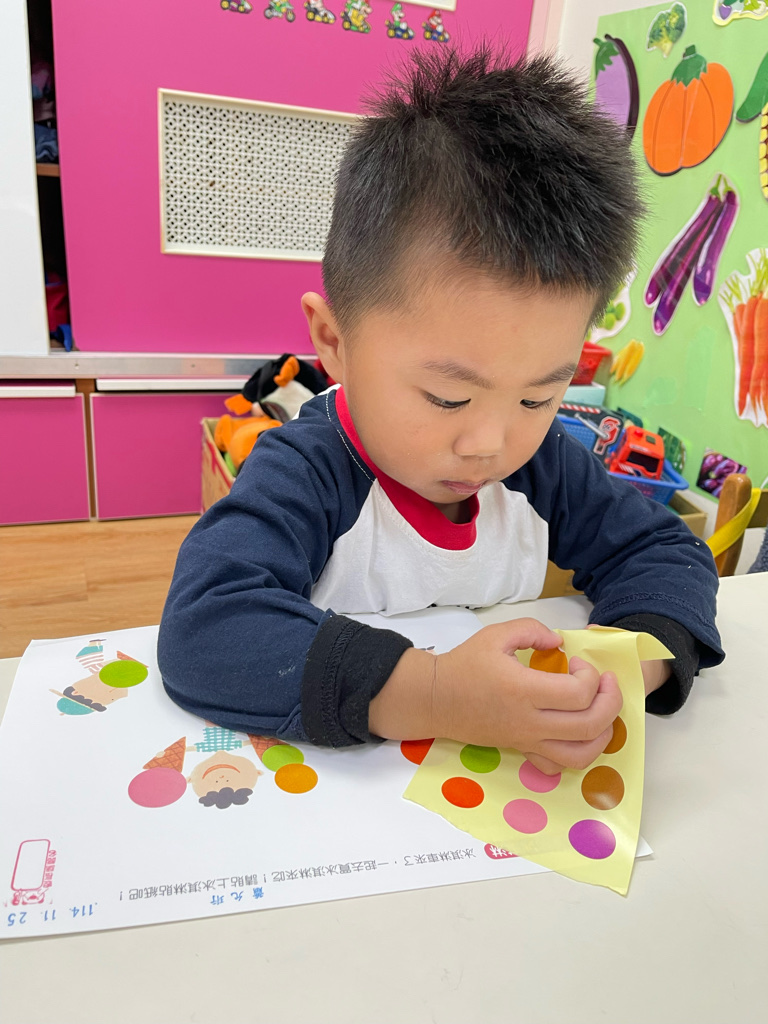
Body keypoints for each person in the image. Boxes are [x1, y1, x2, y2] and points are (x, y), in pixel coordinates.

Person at [158, 46, 723, 775]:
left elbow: (662, 551)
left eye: (538, 396)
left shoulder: (545, 465)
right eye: (448, 397)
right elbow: (206, 626)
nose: (489, 443)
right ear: (334, 341)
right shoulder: (307, 470)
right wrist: (434, 694)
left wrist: (628, 663)